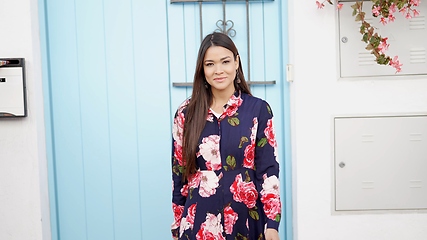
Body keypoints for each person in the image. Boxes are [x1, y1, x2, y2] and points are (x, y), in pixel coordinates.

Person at [171, 32, 282, 240]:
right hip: (199, 224)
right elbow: (179, 175)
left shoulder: (258, 110)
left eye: (225, 61)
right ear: (202, 69)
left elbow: (268, 172)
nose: (218, 70)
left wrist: (272, 224)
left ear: (236, 62)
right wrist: (178, 226)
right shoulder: (186, 113)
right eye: (210, 64)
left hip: (247, 220)